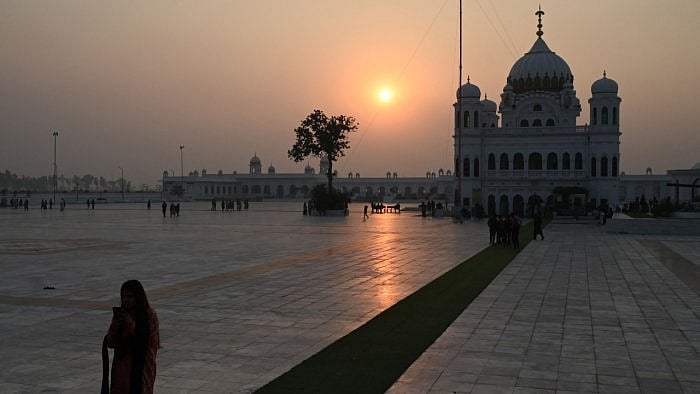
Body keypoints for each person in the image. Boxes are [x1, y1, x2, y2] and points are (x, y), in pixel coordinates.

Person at [103, 280, 159, 394]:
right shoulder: (122, 315)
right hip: (122, 368)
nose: (126, 300)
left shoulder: (149, 316)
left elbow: (147, 342)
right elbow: (111, 342)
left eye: (130, 296)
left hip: (141, 367)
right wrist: (114, 327)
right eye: (123, 296)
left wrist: (131, 324)